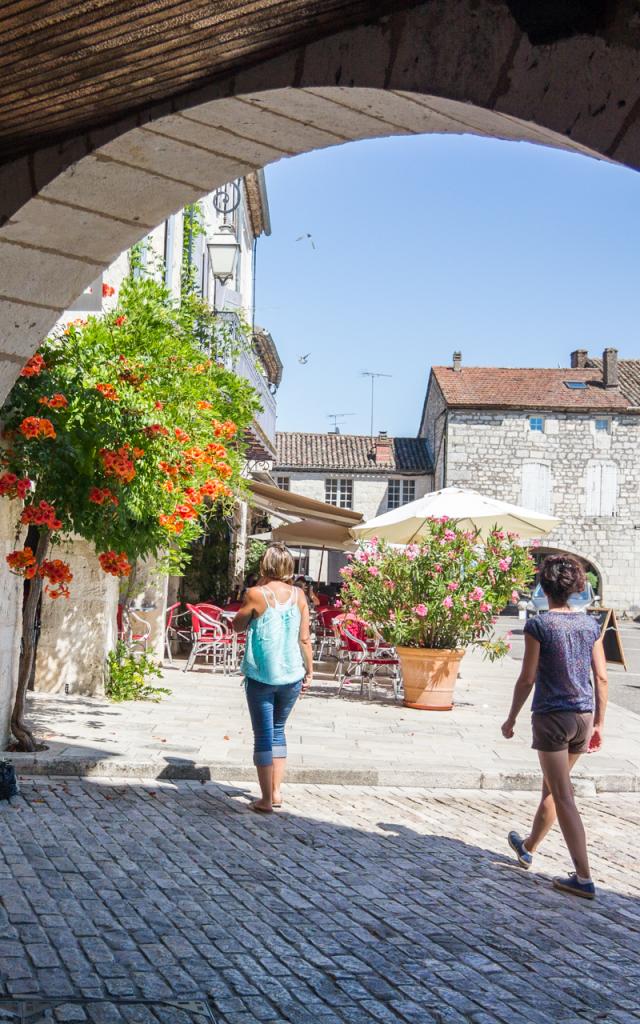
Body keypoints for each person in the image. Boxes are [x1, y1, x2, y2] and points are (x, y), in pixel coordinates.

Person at [501, 554, 608, 899]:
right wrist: (599, 724)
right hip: (583, 717)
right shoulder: (591, 625)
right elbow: (602, 678)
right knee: (552, 788)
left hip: (551, 717)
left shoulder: (539, 625)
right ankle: (528, 845)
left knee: (563, 794)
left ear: (542, 587)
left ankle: (583, 876)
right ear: (576, 586)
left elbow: (527, 678)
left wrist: (512, 716)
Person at [233, 544, 313, 813]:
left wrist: (251, 603)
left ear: (265, 565)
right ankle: (277, 792)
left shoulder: (256, 594)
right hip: (292, 674)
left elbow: (237, 625)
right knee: (278, 731)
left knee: (264, 735)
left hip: (262, 675)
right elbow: (304, 639)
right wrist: (310, 670)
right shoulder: (300, 595)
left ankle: (265, 799)